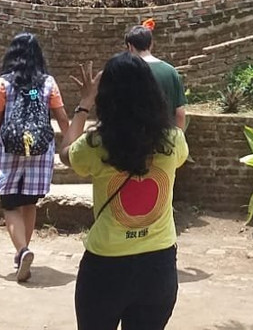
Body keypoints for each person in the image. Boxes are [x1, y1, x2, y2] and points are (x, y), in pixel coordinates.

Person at [60, 52, 188, 330]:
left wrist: (84, 103)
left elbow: (65, 153)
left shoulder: (95, 144)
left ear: (106, 96)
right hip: (158, 264)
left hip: (105, 266)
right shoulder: (174, 140)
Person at [0, 32, 70, 283]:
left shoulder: (3, 83)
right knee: (29, 203)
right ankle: (23, 253)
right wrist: (71, 142)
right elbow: (62, 118)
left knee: (9, 204)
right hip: (40, 151)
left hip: (10, 150)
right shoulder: (48, 82)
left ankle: (22, 251)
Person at [125, 20, 186, 130]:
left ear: (130, 46)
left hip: (134, 141)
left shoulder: (125, 72)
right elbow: (180, 114)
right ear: (151, 44)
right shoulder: (171, 71)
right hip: (167, 140)